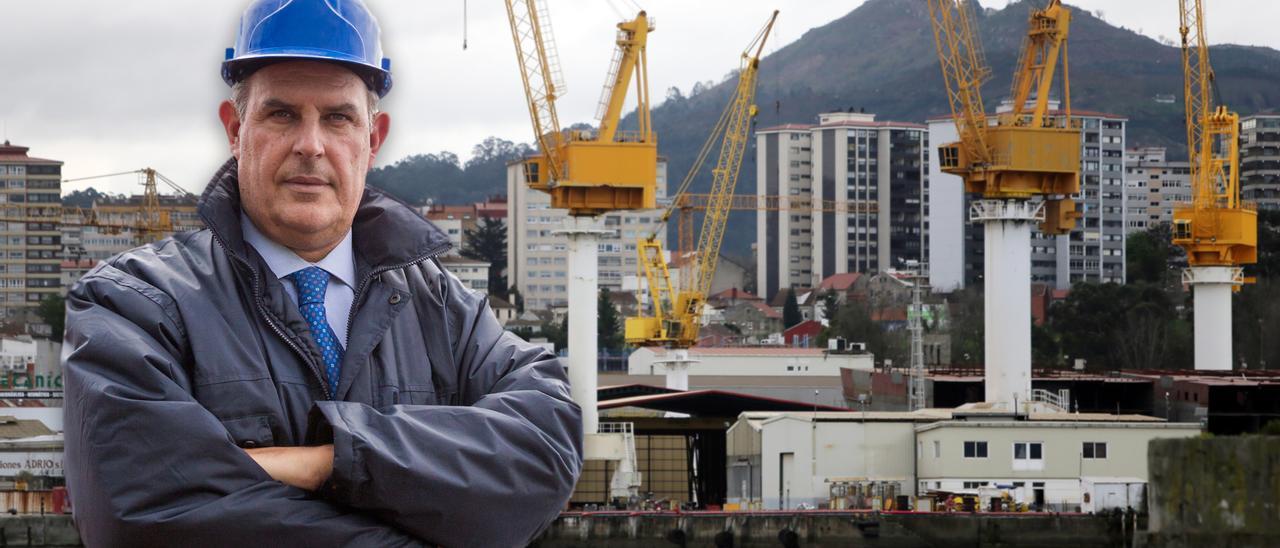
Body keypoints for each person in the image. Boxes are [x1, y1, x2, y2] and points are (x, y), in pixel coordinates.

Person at [61, 1, 583, 546]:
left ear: (373, 139)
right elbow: (137, 516)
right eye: (282, 114)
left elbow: (545, 449)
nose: (310, 145)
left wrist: (329, 460)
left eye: (337, 117)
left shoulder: (445, 311)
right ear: (236, 130)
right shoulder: (132, 306)